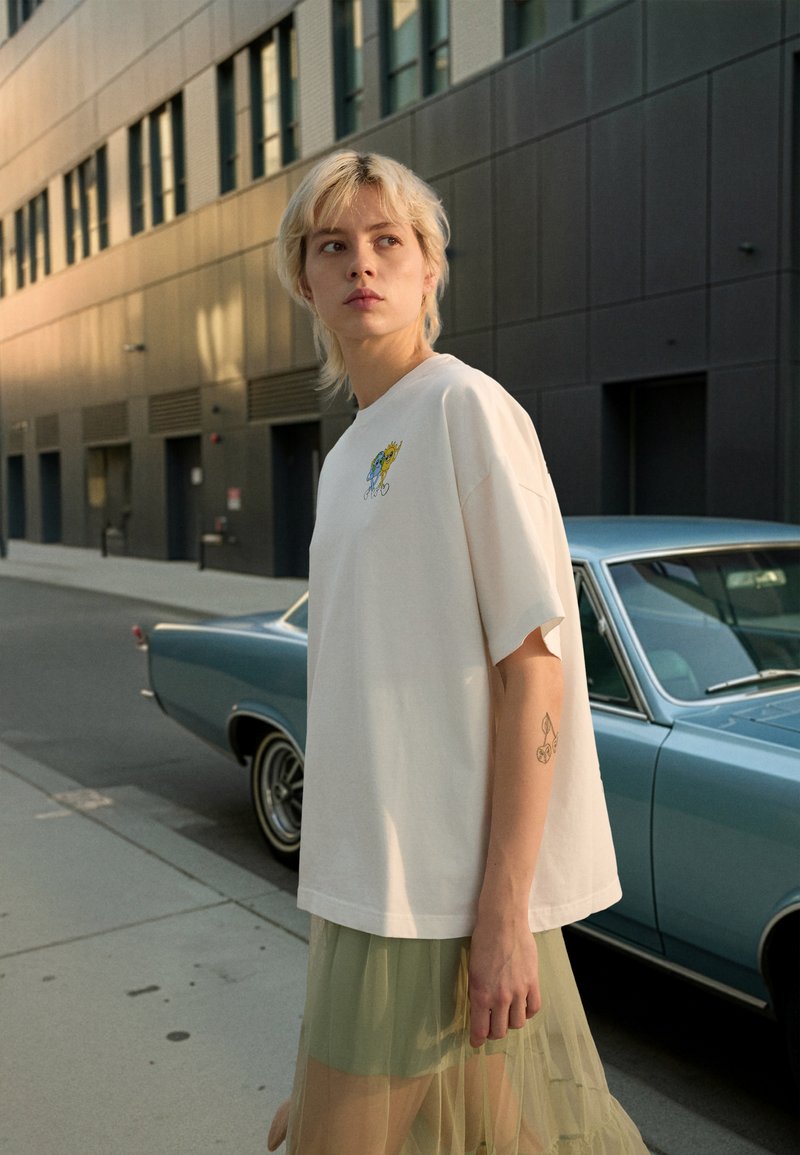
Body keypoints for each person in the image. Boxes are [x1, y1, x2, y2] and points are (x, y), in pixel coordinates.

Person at [267, 150, 648, 1155]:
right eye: (332, 245)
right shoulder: (346, 455)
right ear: (303, 279)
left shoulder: (462, 407)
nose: (361, 263)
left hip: (441, 893)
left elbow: (534, 668)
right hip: (370, 883)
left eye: (388, 240)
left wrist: (504, 914)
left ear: (429, 267)